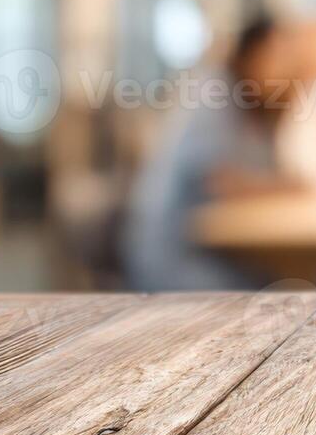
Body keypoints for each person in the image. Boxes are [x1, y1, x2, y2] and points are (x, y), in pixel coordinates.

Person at [123, 16, 297, 291]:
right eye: (278, 57)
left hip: (217, 252)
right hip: (176, 258)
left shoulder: (255, 107)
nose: (286, 71)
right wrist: (294, 188)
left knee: (285, 286)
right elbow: (222, 183)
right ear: (251, 54)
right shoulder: (214, 92)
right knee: (275, 294)